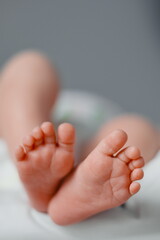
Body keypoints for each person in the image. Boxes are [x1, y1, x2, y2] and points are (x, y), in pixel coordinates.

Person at [0, 51, 159, 225]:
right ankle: (32, 155)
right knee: (30, 64)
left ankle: (77, 185)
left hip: (91, 145)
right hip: (23, 133)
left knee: (137, 127)